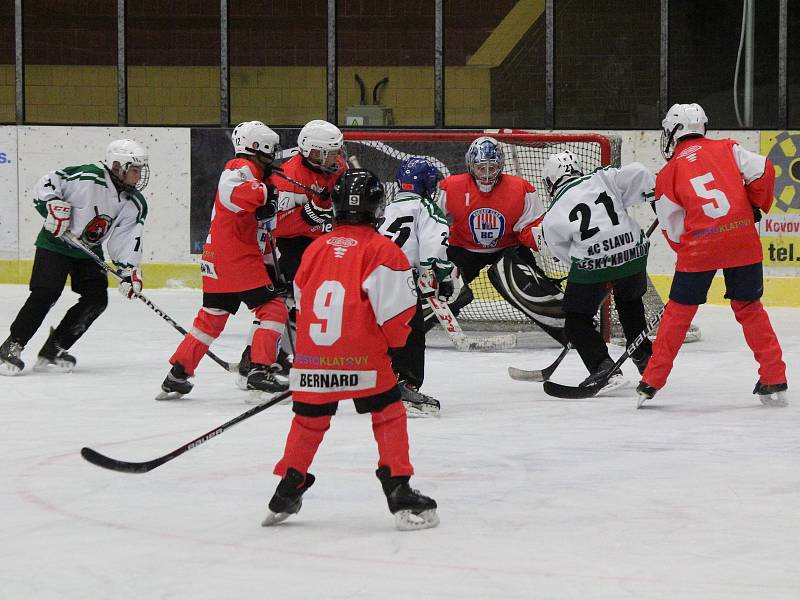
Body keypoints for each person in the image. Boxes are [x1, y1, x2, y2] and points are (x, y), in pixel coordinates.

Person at [263, 169, 439, 531]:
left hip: (312, 356)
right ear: (377, 207)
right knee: (388, 412)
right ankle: (398, 487)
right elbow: (399, 312)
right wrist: (391, 347)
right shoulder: (383, 250)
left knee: (308, 421)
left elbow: (299, 299)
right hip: (363, 357)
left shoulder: (314, 249)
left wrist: (314, 353)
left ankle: (288, 487)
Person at [637, 103, 787, 408]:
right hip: (742, 240)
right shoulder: (729, 148)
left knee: (679, 311)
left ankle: (651, 382)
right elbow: (764, 169)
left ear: (672, 132)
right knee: (749, 307)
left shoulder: (667, 174)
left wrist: (691, 249)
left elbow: (673, 230)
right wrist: (753, 205)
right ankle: (773, 376)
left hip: (700, 249)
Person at [158, 121, 289, 400]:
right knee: (273, 311)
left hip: (218, 258)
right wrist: (265, 193)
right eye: (271, 149)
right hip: (236, 258)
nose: (274, 155)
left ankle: (178, 374)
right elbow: (233, 194)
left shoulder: (258, 175)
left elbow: (261, 230)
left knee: (211, 319)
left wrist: (271, 260)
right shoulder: (239, 167)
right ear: (258, 147)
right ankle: (260, 370)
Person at [0, 139, 150, 376]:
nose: (138, 175)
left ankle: (55, 347)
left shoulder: (134, 204)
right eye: (134, 169)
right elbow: (49, 182)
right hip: (56, 243)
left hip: (88, 251)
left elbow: (126, 239)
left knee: (97, 299)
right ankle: (12, 345)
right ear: (117, 166)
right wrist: (51, 206)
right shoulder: (87, 178)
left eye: (140, 170)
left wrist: (128, 271)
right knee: (46, 293)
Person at [237, 120, 347, 383]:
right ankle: (255, 358)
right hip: (289, 245)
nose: (336, 158)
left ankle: (276, 354)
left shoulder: (337, 167)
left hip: (321, 244)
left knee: (299, 303)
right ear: (312, 151)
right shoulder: (287, 177)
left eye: (336, 152)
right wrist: (308, 216)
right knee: (287, 302)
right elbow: (276, 224)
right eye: (329, 153)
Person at [540, 151, 656, 389]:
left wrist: (593, 272)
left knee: (575, 321)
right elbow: (640, 173)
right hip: (634, 254)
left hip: (593, 263)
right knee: (630, 303)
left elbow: (561, 252)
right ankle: (645, 358)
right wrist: (654, 198)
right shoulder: (603, 177)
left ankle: (602, 366)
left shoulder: (553, 213)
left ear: (550, 181)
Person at [430, 136, 543, 327]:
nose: (487, 174)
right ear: (470, 166)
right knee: (442, 285)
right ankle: (426, 321)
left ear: (501, 166)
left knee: (535, 284)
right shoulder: (452, 186)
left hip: (508, 249)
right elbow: (431, 221)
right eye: (481, 168)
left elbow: (532, 225)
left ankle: (559, 322)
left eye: (493, 168)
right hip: (463, 248)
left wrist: (544, 241)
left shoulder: (521, 188)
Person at [377, 157, 460, 417]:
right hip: (401, 279)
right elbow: (434, 251)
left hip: (373, 276)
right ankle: (404, 385)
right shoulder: (427, 207)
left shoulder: (388, 208)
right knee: (411, 332)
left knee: (384, 333)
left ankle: (382, 384)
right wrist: (444, 278)